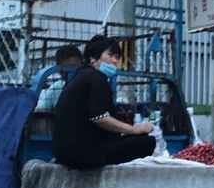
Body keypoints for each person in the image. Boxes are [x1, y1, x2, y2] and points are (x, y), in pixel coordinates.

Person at [53, 35, 155, 169]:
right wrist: (134, 129)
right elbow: (100, 118)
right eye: (110, 55)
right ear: (93, 58)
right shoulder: (96, 78)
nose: (114, 61)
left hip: (64, 152)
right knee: (146, 142)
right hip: (80, 154)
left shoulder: (81, 75)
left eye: (117, 57)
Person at [35, 45, 83, 112]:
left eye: (74, 67)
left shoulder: (92, 85)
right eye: (67, 68)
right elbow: (40, 110)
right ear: (59, 70)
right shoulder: (57, 87)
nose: (71, 72)